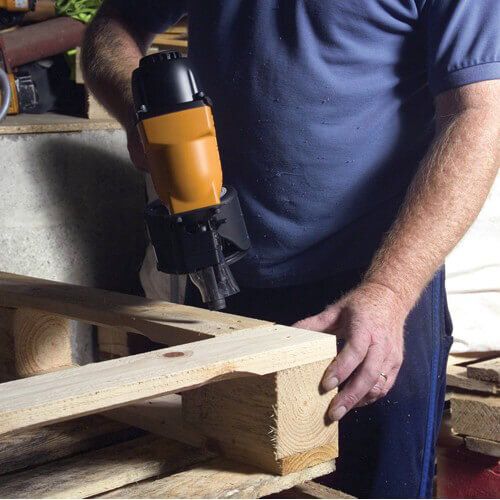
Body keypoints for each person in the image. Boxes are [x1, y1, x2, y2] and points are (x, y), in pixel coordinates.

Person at [82, 1, 500, 497]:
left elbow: (479, 114)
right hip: (219, 277)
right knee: (228, 483)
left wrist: (389, 292)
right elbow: (113, 24)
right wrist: (139, 110)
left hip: (371, 296)